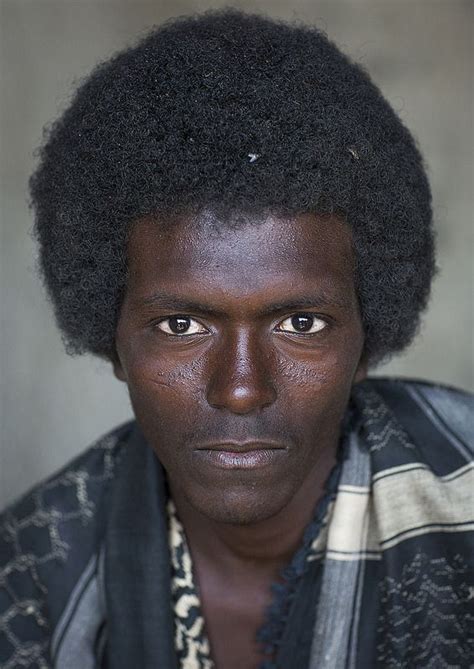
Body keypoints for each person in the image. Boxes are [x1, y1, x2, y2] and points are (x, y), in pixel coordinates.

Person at [0, 9, 472, 669]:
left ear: (367, 336)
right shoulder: (28, 581)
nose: (242, 388)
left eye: (300, 323)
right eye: (181, 324)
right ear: (114, 337)